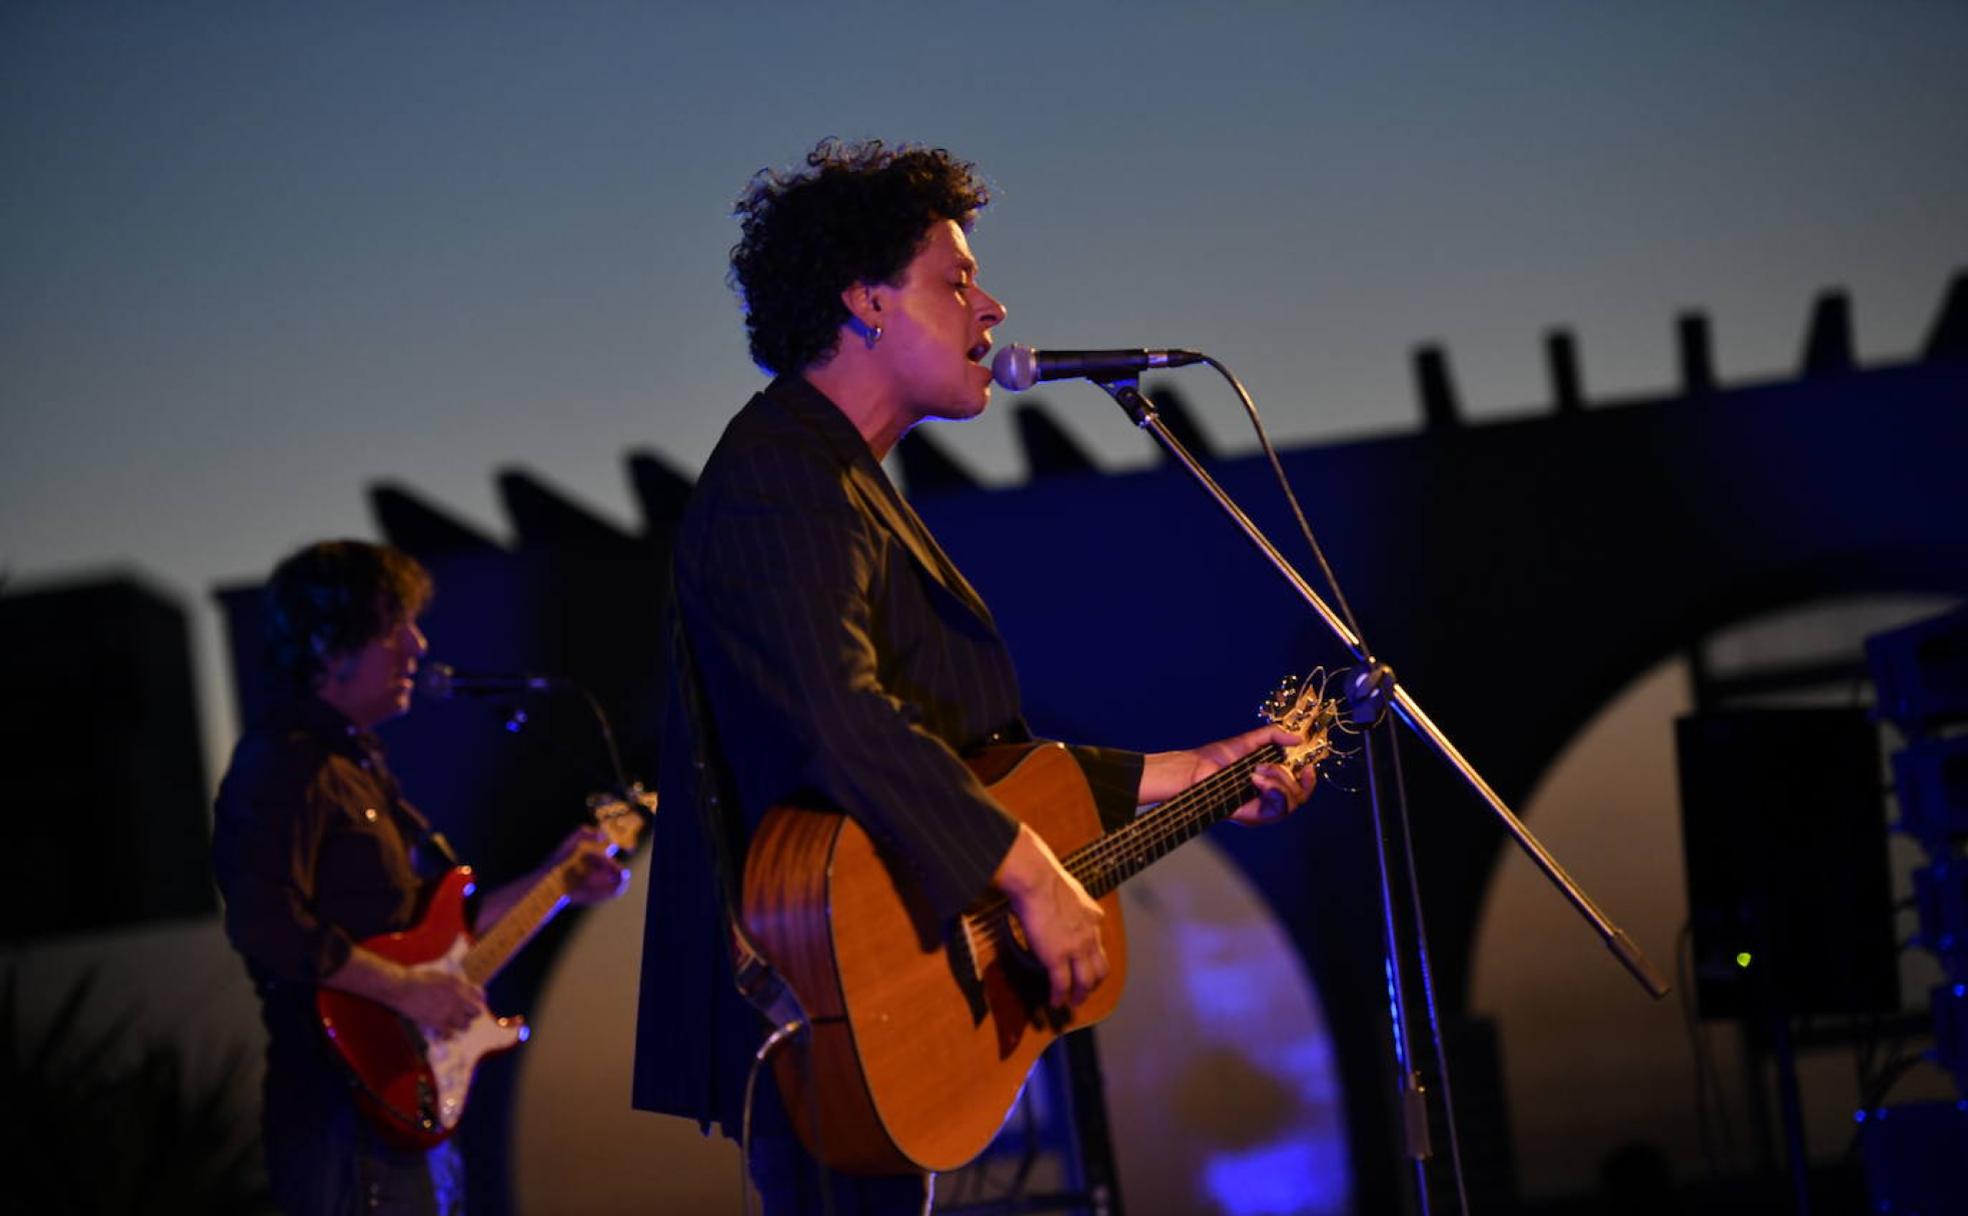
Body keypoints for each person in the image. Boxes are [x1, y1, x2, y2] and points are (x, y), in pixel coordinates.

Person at [630, 139, 1313, 1214]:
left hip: (885, 1007)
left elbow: (979, 764)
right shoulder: (780, 479)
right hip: (827, 1008)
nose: (991, 308)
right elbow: (839, 716)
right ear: (864, 303)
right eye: (954, 281)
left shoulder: (838, 482)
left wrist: (1200, 771)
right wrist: (1030, 875)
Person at [211, 540, 628, 1216]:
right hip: (342, 1105)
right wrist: (407, 992)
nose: (417, 643)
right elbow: (265, 923)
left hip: (406, 1096)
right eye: (390, 625)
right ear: (327, 643)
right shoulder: (284, 765)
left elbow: (438, 936)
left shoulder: (358, 772)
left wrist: (555, 881)